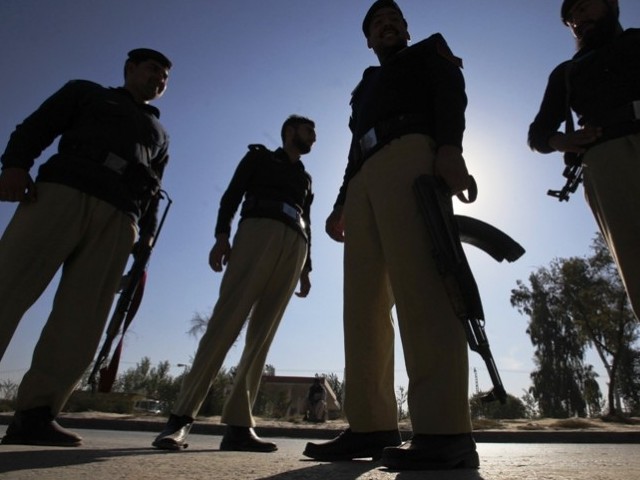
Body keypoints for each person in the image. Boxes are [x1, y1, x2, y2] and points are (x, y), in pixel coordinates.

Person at [303, 0, 478, 471]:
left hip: (410, 156)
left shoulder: (428, 52)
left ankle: (445, 431)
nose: (387, 26)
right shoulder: (364, 85)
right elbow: (353, 145)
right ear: (368, 37)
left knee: (423, 289)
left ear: (405, 29)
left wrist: (449, 149)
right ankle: (370, 425)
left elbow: (450, 94)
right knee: (362, 308)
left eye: (394, 20)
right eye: (378, 22)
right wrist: (342, 199)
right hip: (364, 179)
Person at [0, 48, 172, 447]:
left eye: (164, 77)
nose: (158, 79)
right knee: (7, 285)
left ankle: (36, 413)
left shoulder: (160, 133)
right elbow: (37, 126)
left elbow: (155, 186)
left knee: (82, 318)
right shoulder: (87, 93)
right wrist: (14, 164)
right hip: (62, 192)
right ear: (129, 69)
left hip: (118, 217)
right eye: (152, 70)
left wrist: (144, 236)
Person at [152, 115, 316, 453]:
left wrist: (306, 269)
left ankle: (240, 425)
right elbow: (232, 194)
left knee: (262, 336)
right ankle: (180, 419)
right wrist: (222, 236)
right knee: (226, 323)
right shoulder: (258, 157)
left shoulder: (306, 177)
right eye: (307, 130)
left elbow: (308, 220)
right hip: (258, 230)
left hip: (294, 243)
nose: (313, 137)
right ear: (289, 131)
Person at [529, 0, 640, 318]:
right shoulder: (567, 73)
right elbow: (538, 133)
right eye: (572, 15)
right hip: (607, 164)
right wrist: (561, 140)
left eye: (586, 6)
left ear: (611, 6)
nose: (578, 17)